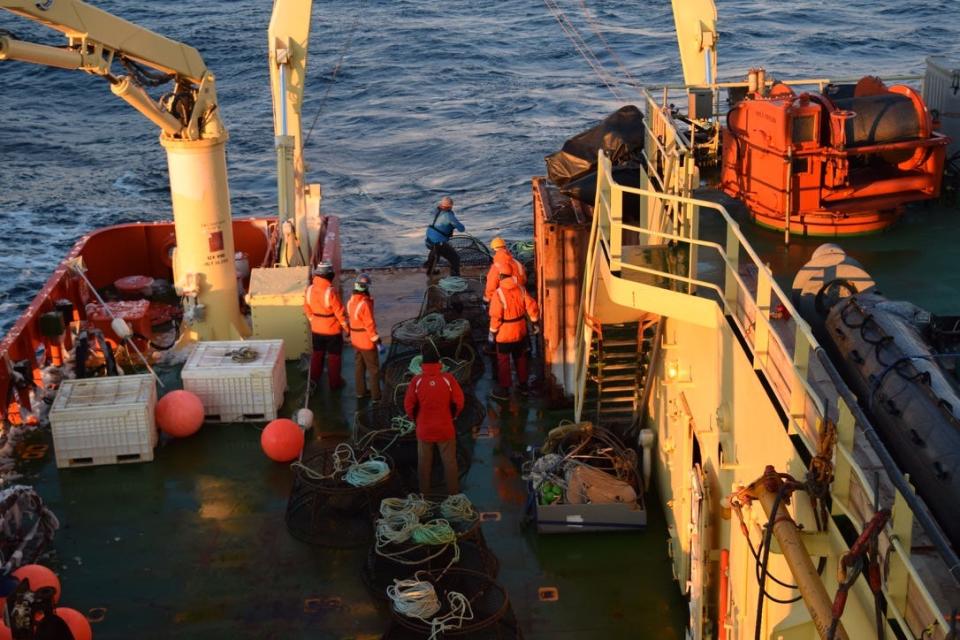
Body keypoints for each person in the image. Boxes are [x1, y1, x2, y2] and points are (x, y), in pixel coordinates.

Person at [404, 344, 465, 494]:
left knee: (424, 464)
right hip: (445, 428)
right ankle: (454, 495)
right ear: (439, 363)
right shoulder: (448, 379)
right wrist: (453, 416)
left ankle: (425, 495)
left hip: (424, 430)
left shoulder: (416, 381)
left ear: (422, 363)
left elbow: (408, 405)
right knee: (450, 462)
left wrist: (416, 419)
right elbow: (459, 401)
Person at [488, 261, 540, 400]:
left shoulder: (498, 294)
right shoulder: (521, 289)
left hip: (504, 334)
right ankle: (523, 386)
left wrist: (492, 333)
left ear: (500, 276)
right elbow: (532, 307)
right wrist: (535, 323)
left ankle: (505, 390)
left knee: (503, 361)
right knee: (520, 358)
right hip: (520, 331)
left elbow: (496, 316)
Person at [303, 261, 349, 390]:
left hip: (316, 329)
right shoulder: (331, 292)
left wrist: (313, 320)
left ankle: (313, 380)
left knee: (317, 355)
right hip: (332, 330)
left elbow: (306, 307)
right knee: (334, 358)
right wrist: (347, 329)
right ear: (329, 275)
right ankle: (335, 384)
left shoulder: (309, 289)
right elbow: (340, 313)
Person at [347, 273, 384, 403]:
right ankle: (376, 396)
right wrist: (377, 340)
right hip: (366, 340)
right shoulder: (364, 304)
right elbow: (369, 325)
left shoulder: (351, 301)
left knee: (359, 366)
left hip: (355, 339)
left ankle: (360, 392)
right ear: (366, 288)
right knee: (373, 368)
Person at [424, 196, 465, 276]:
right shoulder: (449, 215)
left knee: (436, 252)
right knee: (455, 258)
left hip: (428, 240)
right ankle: (455, 279)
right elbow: (461, 229)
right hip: (438, 243)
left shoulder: (435, 210)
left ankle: (430, 271)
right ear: (450, 206)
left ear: (441, 204)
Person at [483, 237, 527, 304]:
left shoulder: (496, 266)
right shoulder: (516, 262)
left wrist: (487, 299)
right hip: (520, 292)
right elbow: (524, 279)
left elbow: (491, 285)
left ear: (494, 250)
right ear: (505, 247)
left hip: (505, 295)